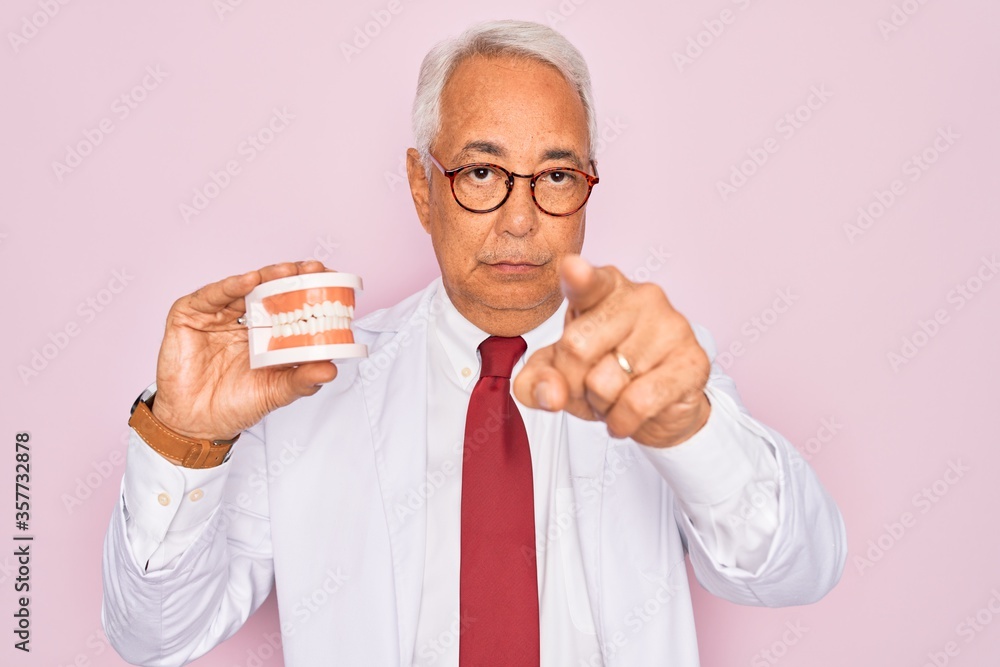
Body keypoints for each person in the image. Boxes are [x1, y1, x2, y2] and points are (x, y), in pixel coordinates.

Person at [102, 19, 846, 667]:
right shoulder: (310, 388)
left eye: (556, 175)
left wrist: (692, 431)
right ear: (422, 187)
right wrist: (182, 438)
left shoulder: (654, 368)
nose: (521, 219)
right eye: (482, 172)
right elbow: (157, 635)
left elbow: (798, 569)